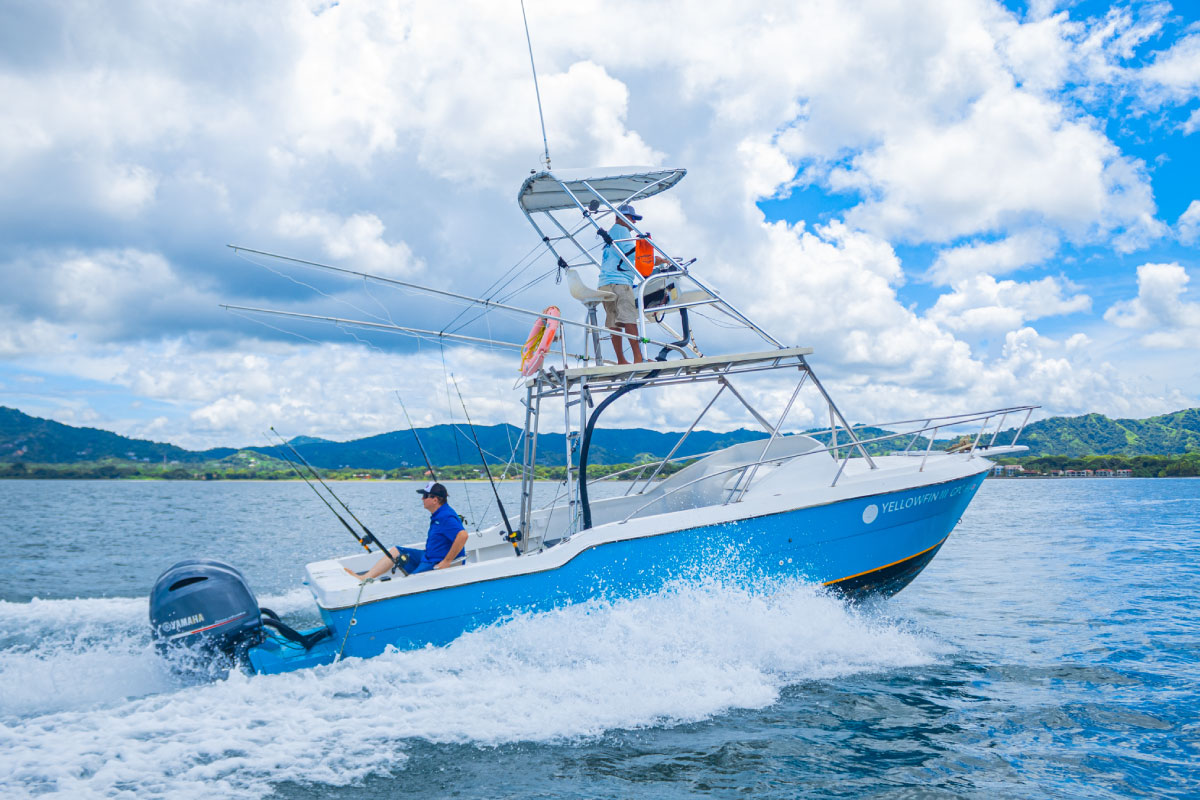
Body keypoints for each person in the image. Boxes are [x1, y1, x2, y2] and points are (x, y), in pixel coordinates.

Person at [344, 482, 468, 581]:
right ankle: (364, 578)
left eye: (425, 496)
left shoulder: (445, 516)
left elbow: (462, 535)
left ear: (435, 500)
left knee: (410, 581)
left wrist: (446, 561)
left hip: (435, 561)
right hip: (428, 555)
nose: (422, 499)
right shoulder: (438, 514)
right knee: (396, 551)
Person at [597, 203, 665, 365]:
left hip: (605, 283)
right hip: (620, 283)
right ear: (621, 217)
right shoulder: (622, 231)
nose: (634, 223)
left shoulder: (612, 233)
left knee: (613, 322)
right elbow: (637, 258)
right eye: (632, 218)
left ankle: (621, 360)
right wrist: (661, 261)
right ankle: (638, 358)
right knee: (629, 319)